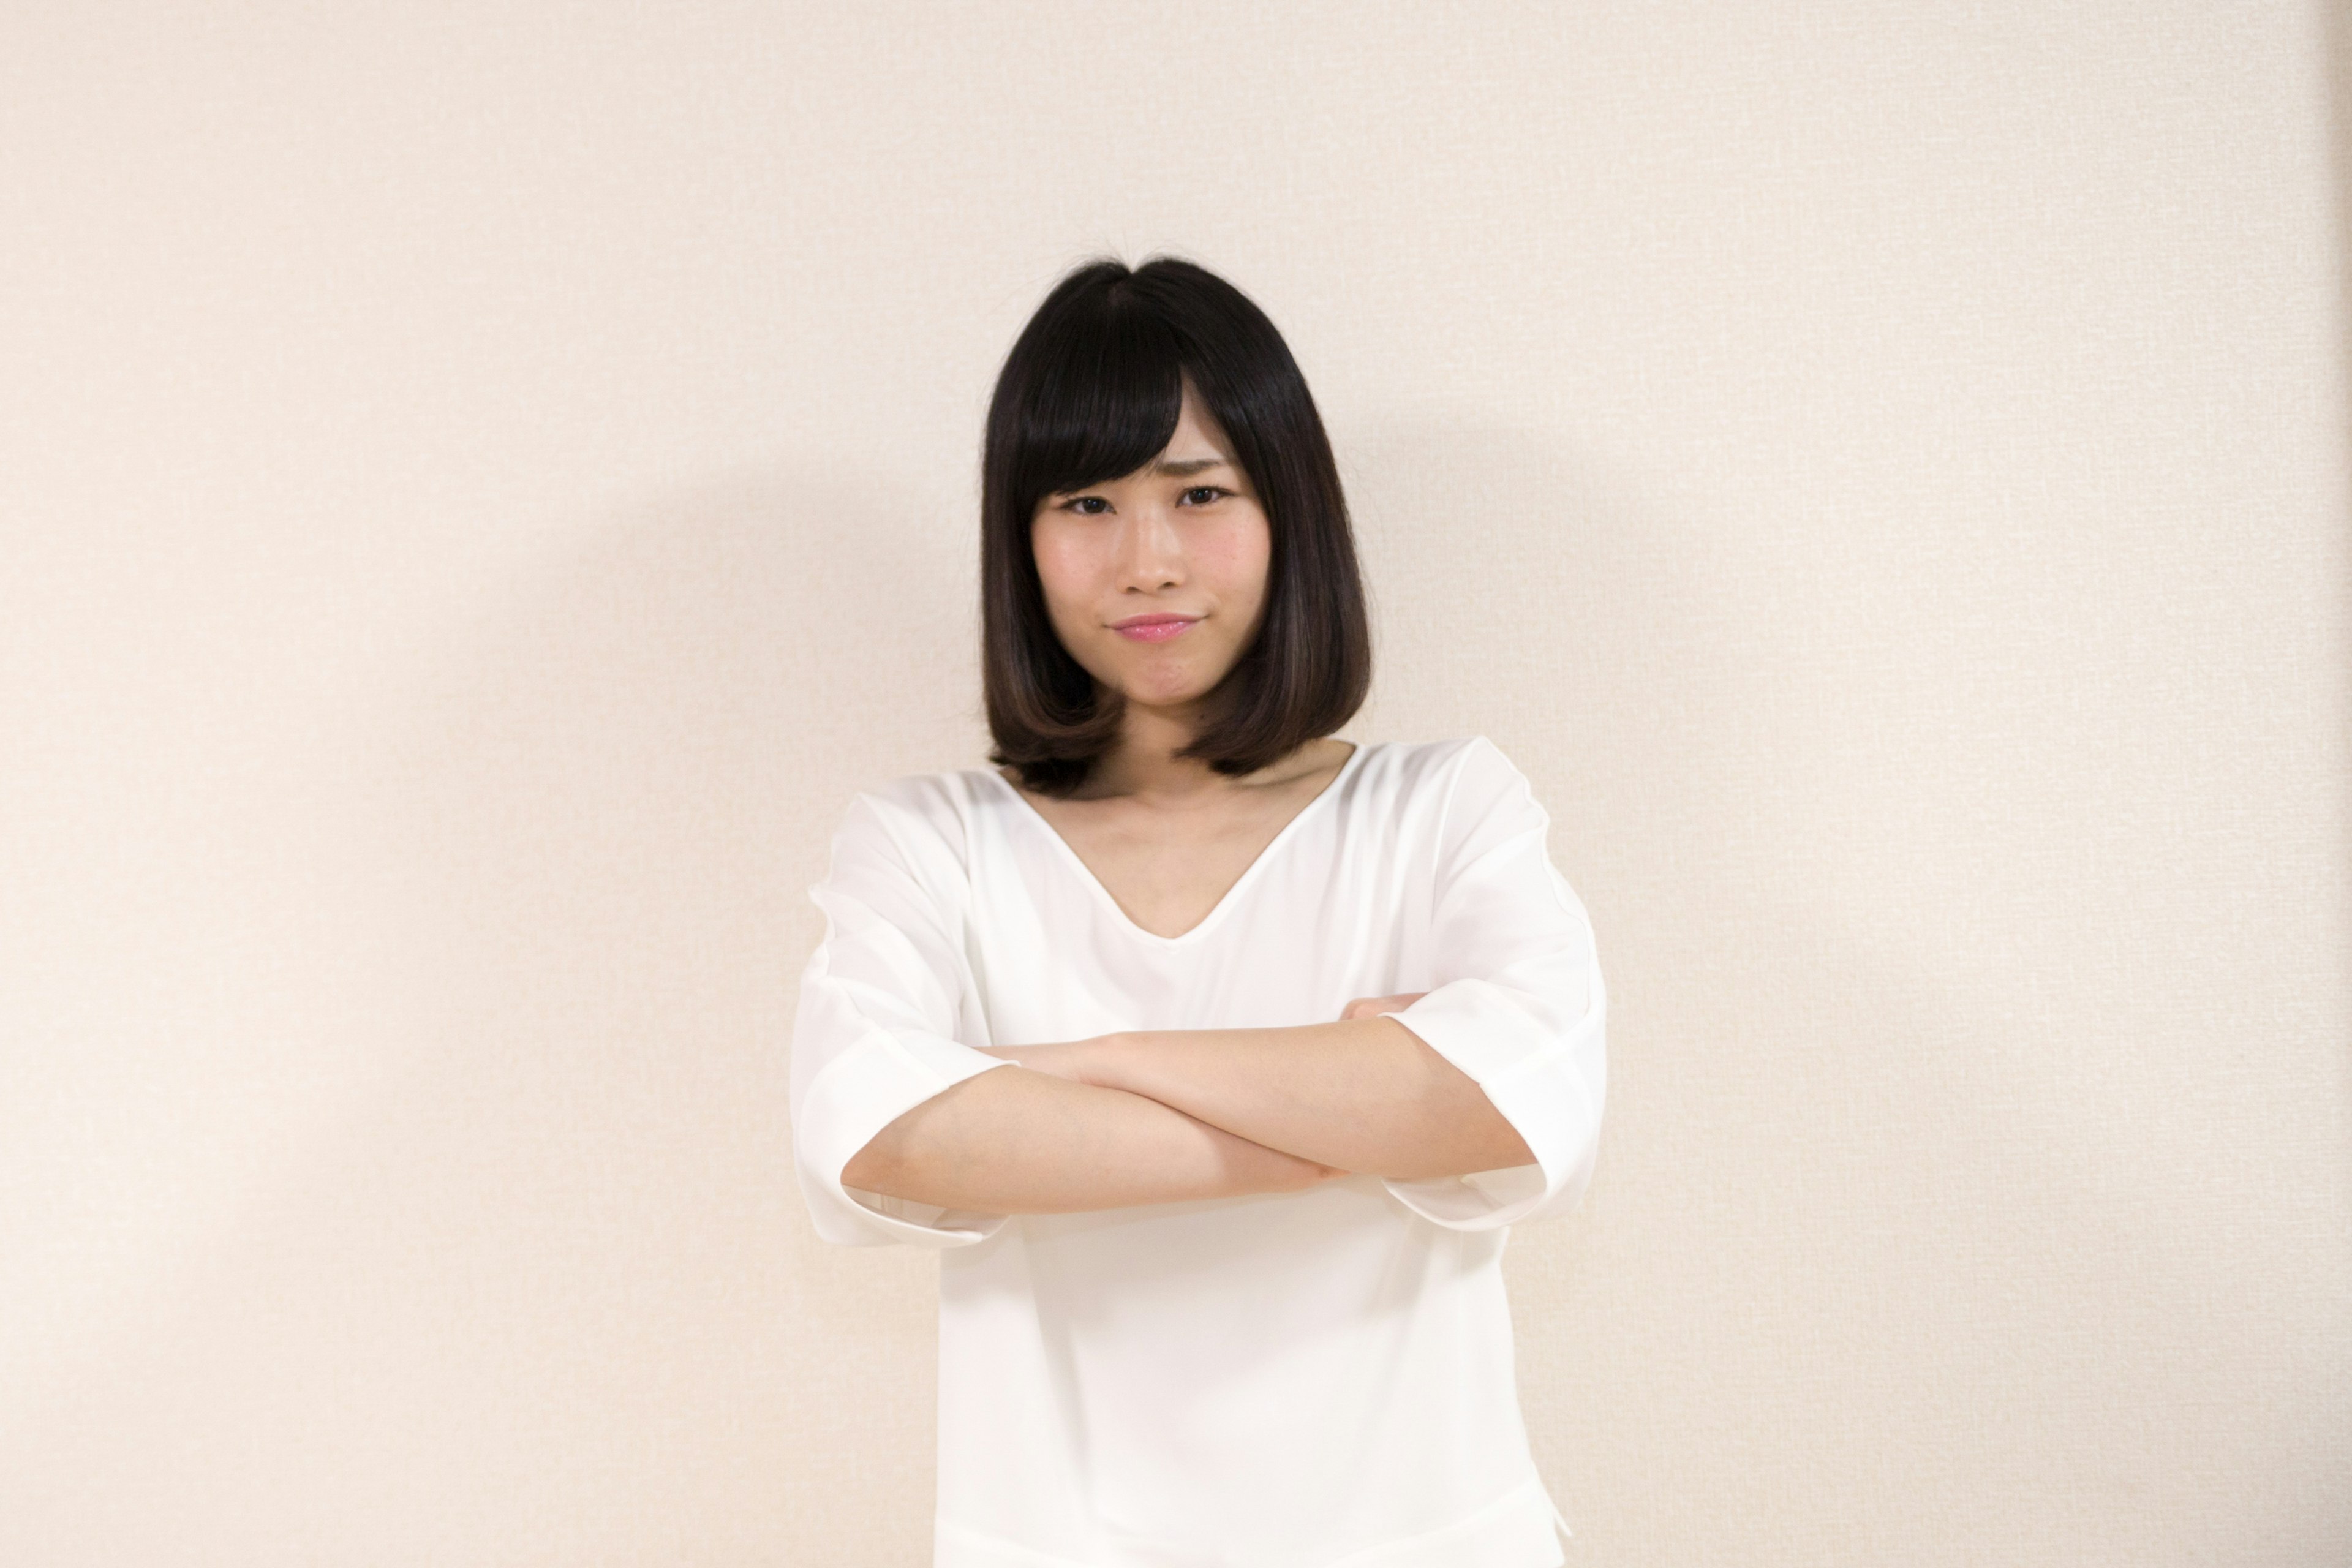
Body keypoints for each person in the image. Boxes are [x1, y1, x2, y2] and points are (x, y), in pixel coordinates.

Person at [790, 254, 1606, 1567]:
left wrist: (1086, 1063)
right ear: (1023, 538)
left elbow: (1513, 1104)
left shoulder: (1444, 807)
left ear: (1291, 513)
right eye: (1088, 501)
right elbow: (881, 1134)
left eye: (1200, 492)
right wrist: (1350, 1107)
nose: (1146, 560)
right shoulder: (929, 842)